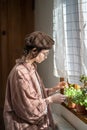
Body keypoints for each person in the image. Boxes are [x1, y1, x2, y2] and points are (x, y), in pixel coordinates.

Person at [3, 31, 67, 130]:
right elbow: (29, 109)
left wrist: (54, 89)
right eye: (44, 54)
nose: (46, 57)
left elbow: (33, 95)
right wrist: (51, 99)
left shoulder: (31, 67)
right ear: (34, 50)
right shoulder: (21, 73)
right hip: (23, 126)